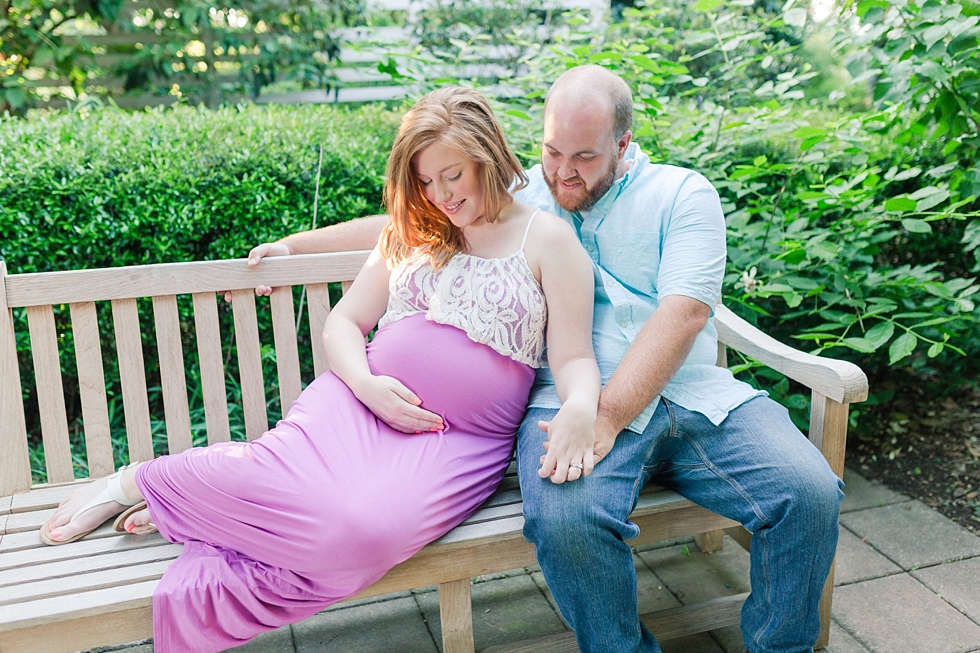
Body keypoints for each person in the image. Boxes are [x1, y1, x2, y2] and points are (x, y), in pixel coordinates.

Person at [244, 65, 845, 653]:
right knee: (566, 521)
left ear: (623, 144)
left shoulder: (682, 195)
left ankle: (780, 647)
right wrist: (294, 246)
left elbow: (684, 314)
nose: (562, 171)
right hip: (564, 399)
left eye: (583, 157)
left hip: (692, 397)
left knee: (808, 490)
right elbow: (411, 219)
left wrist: (606, 416)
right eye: (553, 151)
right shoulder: (530, 189)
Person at [40, 86, 601, 653]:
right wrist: (367, 386)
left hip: (457, 443)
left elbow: (575, 357)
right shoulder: (417, 228)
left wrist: (581, 405)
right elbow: (345, 321)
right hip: (357, 404)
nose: (440, 195)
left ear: (487, 154)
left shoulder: (547, 240)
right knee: (272, 472)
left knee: (362, 535)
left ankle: (207, 515)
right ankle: (136, 482)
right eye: (426, 181)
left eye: (451, 175)